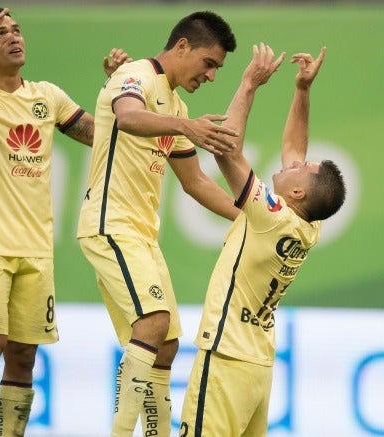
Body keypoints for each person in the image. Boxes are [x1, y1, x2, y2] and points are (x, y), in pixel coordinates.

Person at [0, 8, 129, 437]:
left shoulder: (47, 96)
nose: (13, 37)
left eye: (16, 30)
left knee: (24, 356)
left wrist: (114, 86)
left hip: (36, 249)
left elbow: (101, 135)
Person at [76, 10, 242, 437]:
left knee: (165, 343)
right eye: (209, 63)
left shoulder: (177, 104)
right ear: (182, 46)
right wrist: (185, 125)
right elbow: (128, 118)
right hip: (110, 223)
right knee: (152, 323)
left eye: (218, 69)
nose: (211, 75)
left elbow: (196, 182)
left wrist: (251, 217)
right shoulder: (135, 75)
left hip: (142, 235)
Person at [179, 44, 346, 436]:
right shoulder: (307, 226)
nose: (294, 163)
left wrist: (248, 84)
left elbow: (226, 150)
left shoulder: (271, 216)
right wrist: (302, 90)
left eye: (302, 170)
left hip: (225, 357)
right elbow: (294, 149)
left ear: (298, 194)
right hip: (257, 366)